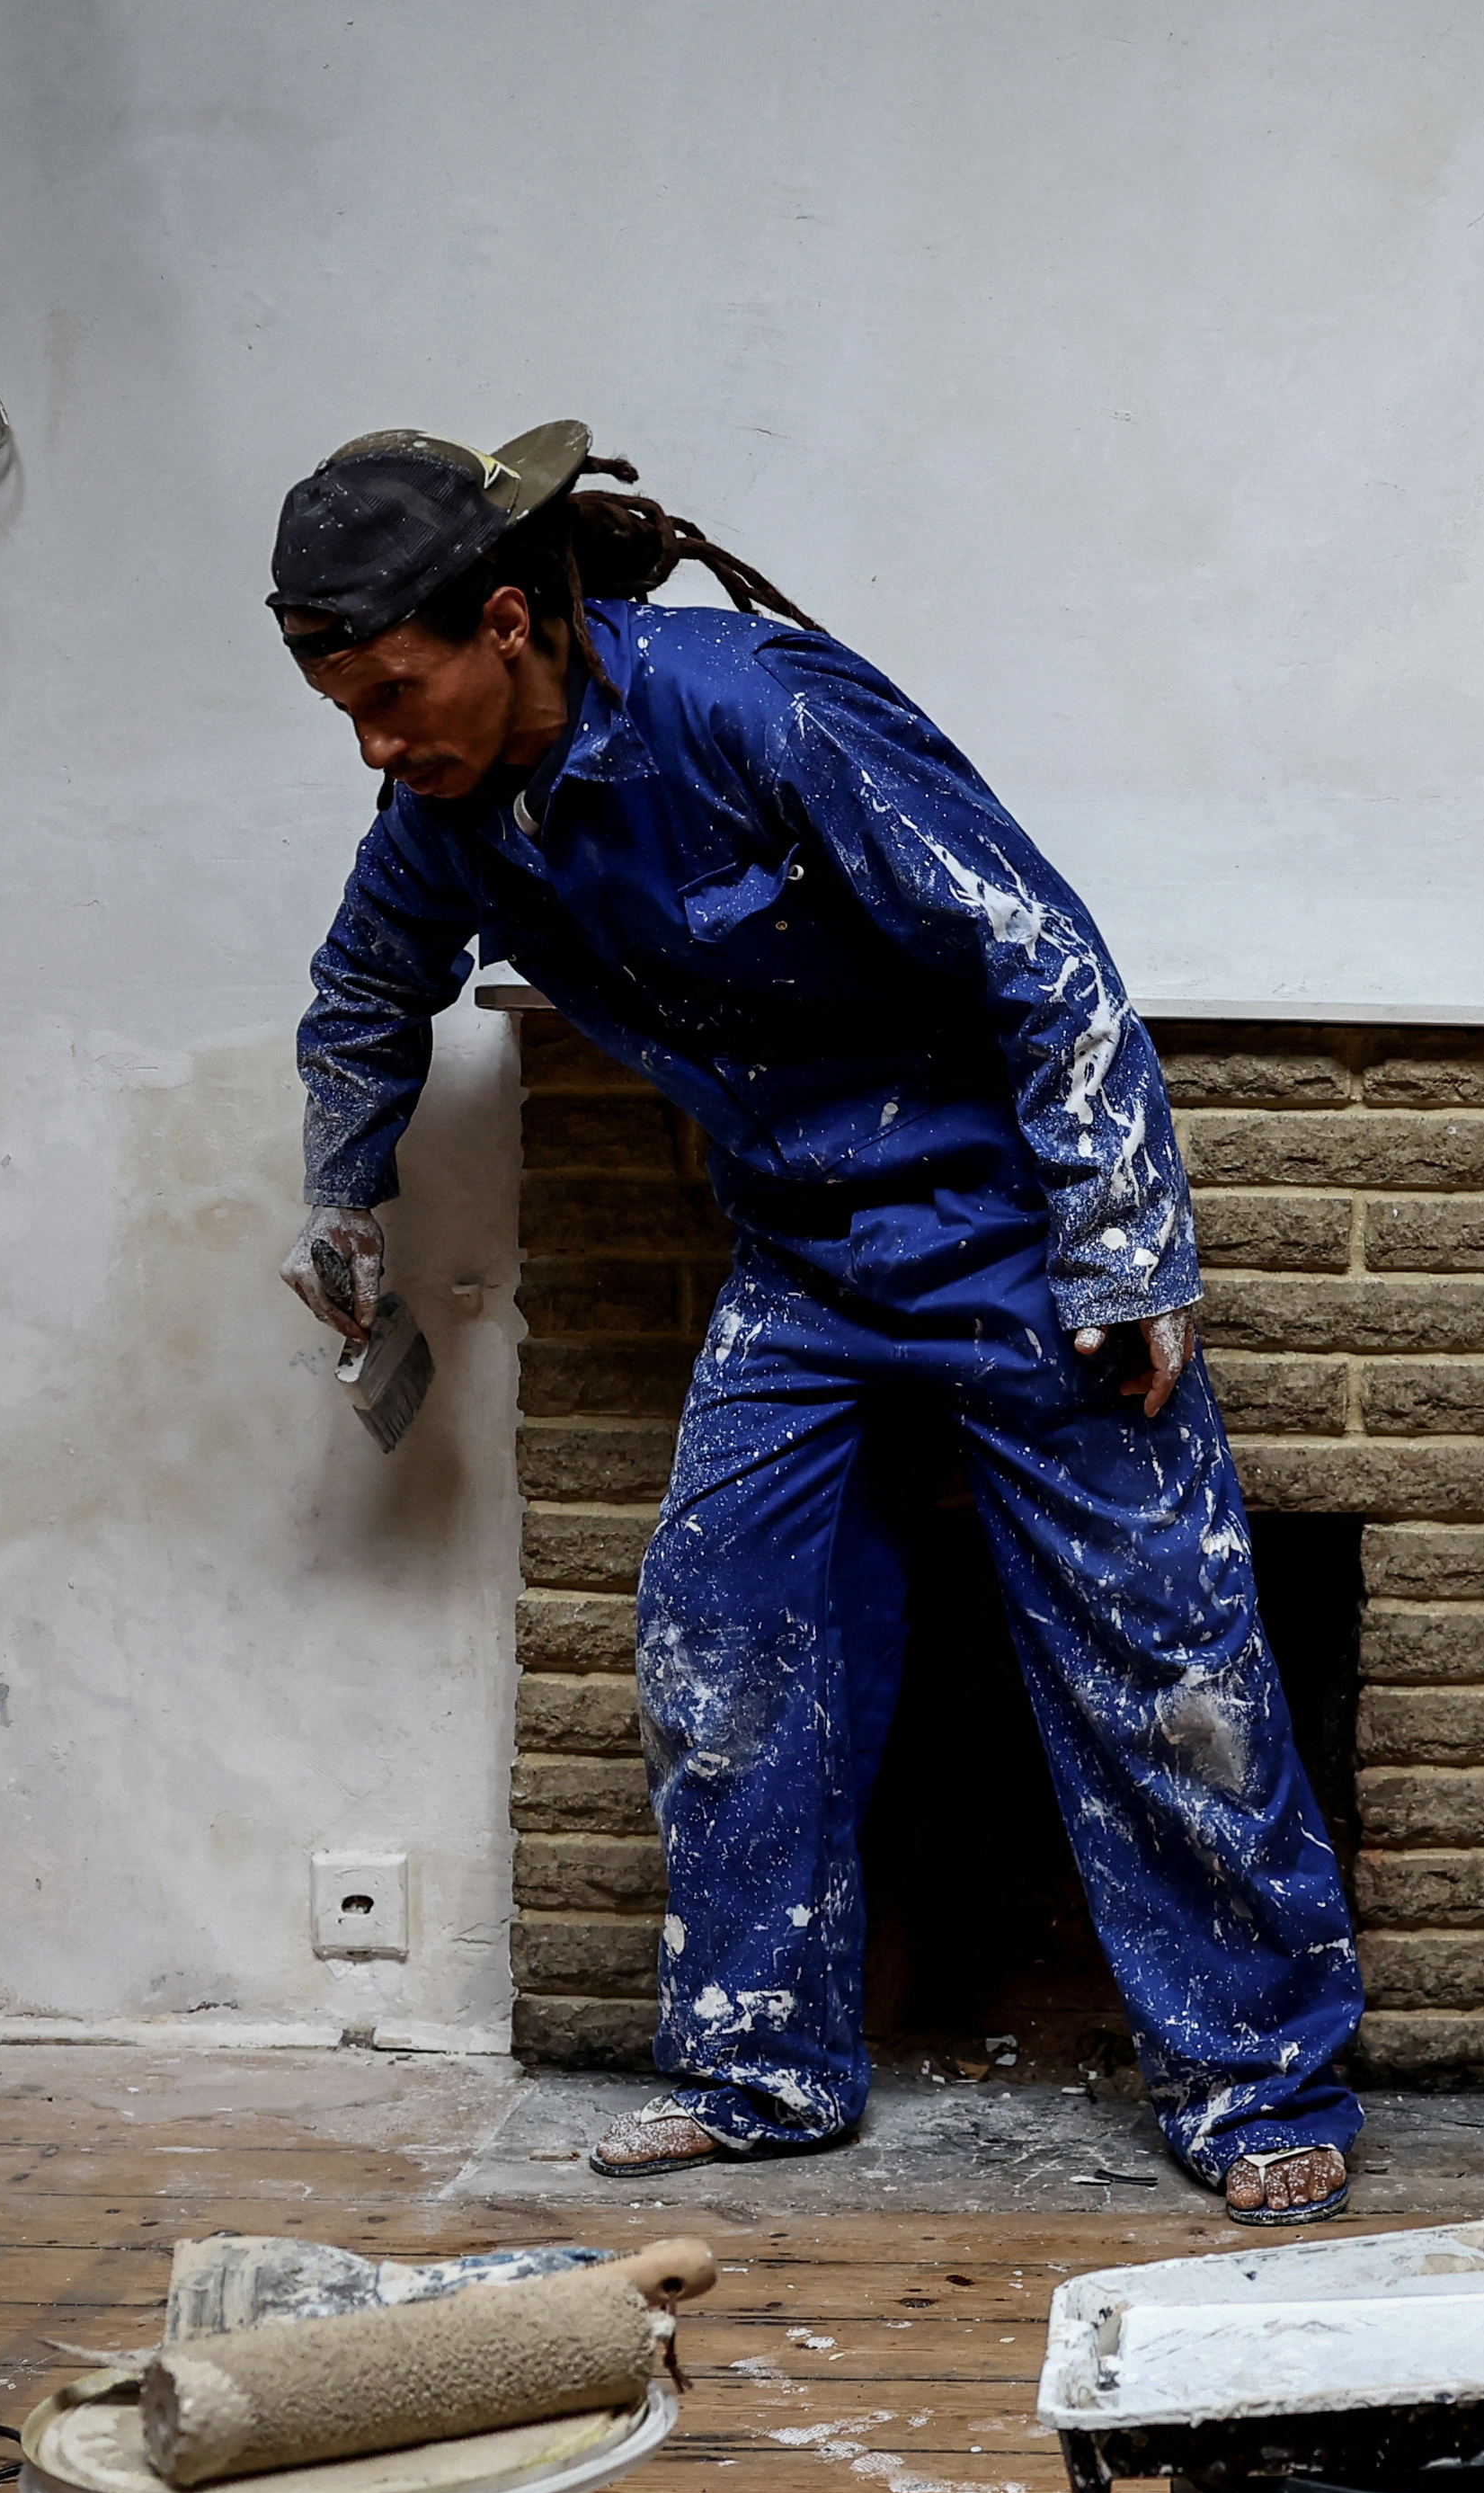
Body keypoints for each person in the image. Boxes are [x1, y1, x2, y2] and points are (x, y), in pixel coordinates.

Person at [262, 421, 1363, 2225]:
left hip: (1007, 1236)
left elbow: (1038, 951)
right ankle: (761, 2067)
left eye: (393, 693)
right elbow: (365, 987)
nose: (379, 743)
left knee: (1165, 1661)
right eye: (346, 713)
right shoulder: (453, 814)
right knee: (720, 1637)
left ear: (510, 620)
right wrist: (344, 1190)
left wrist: (1123, 1246)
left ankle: (1261, 2086)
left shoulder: (753, 708)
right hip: (800, 1261)